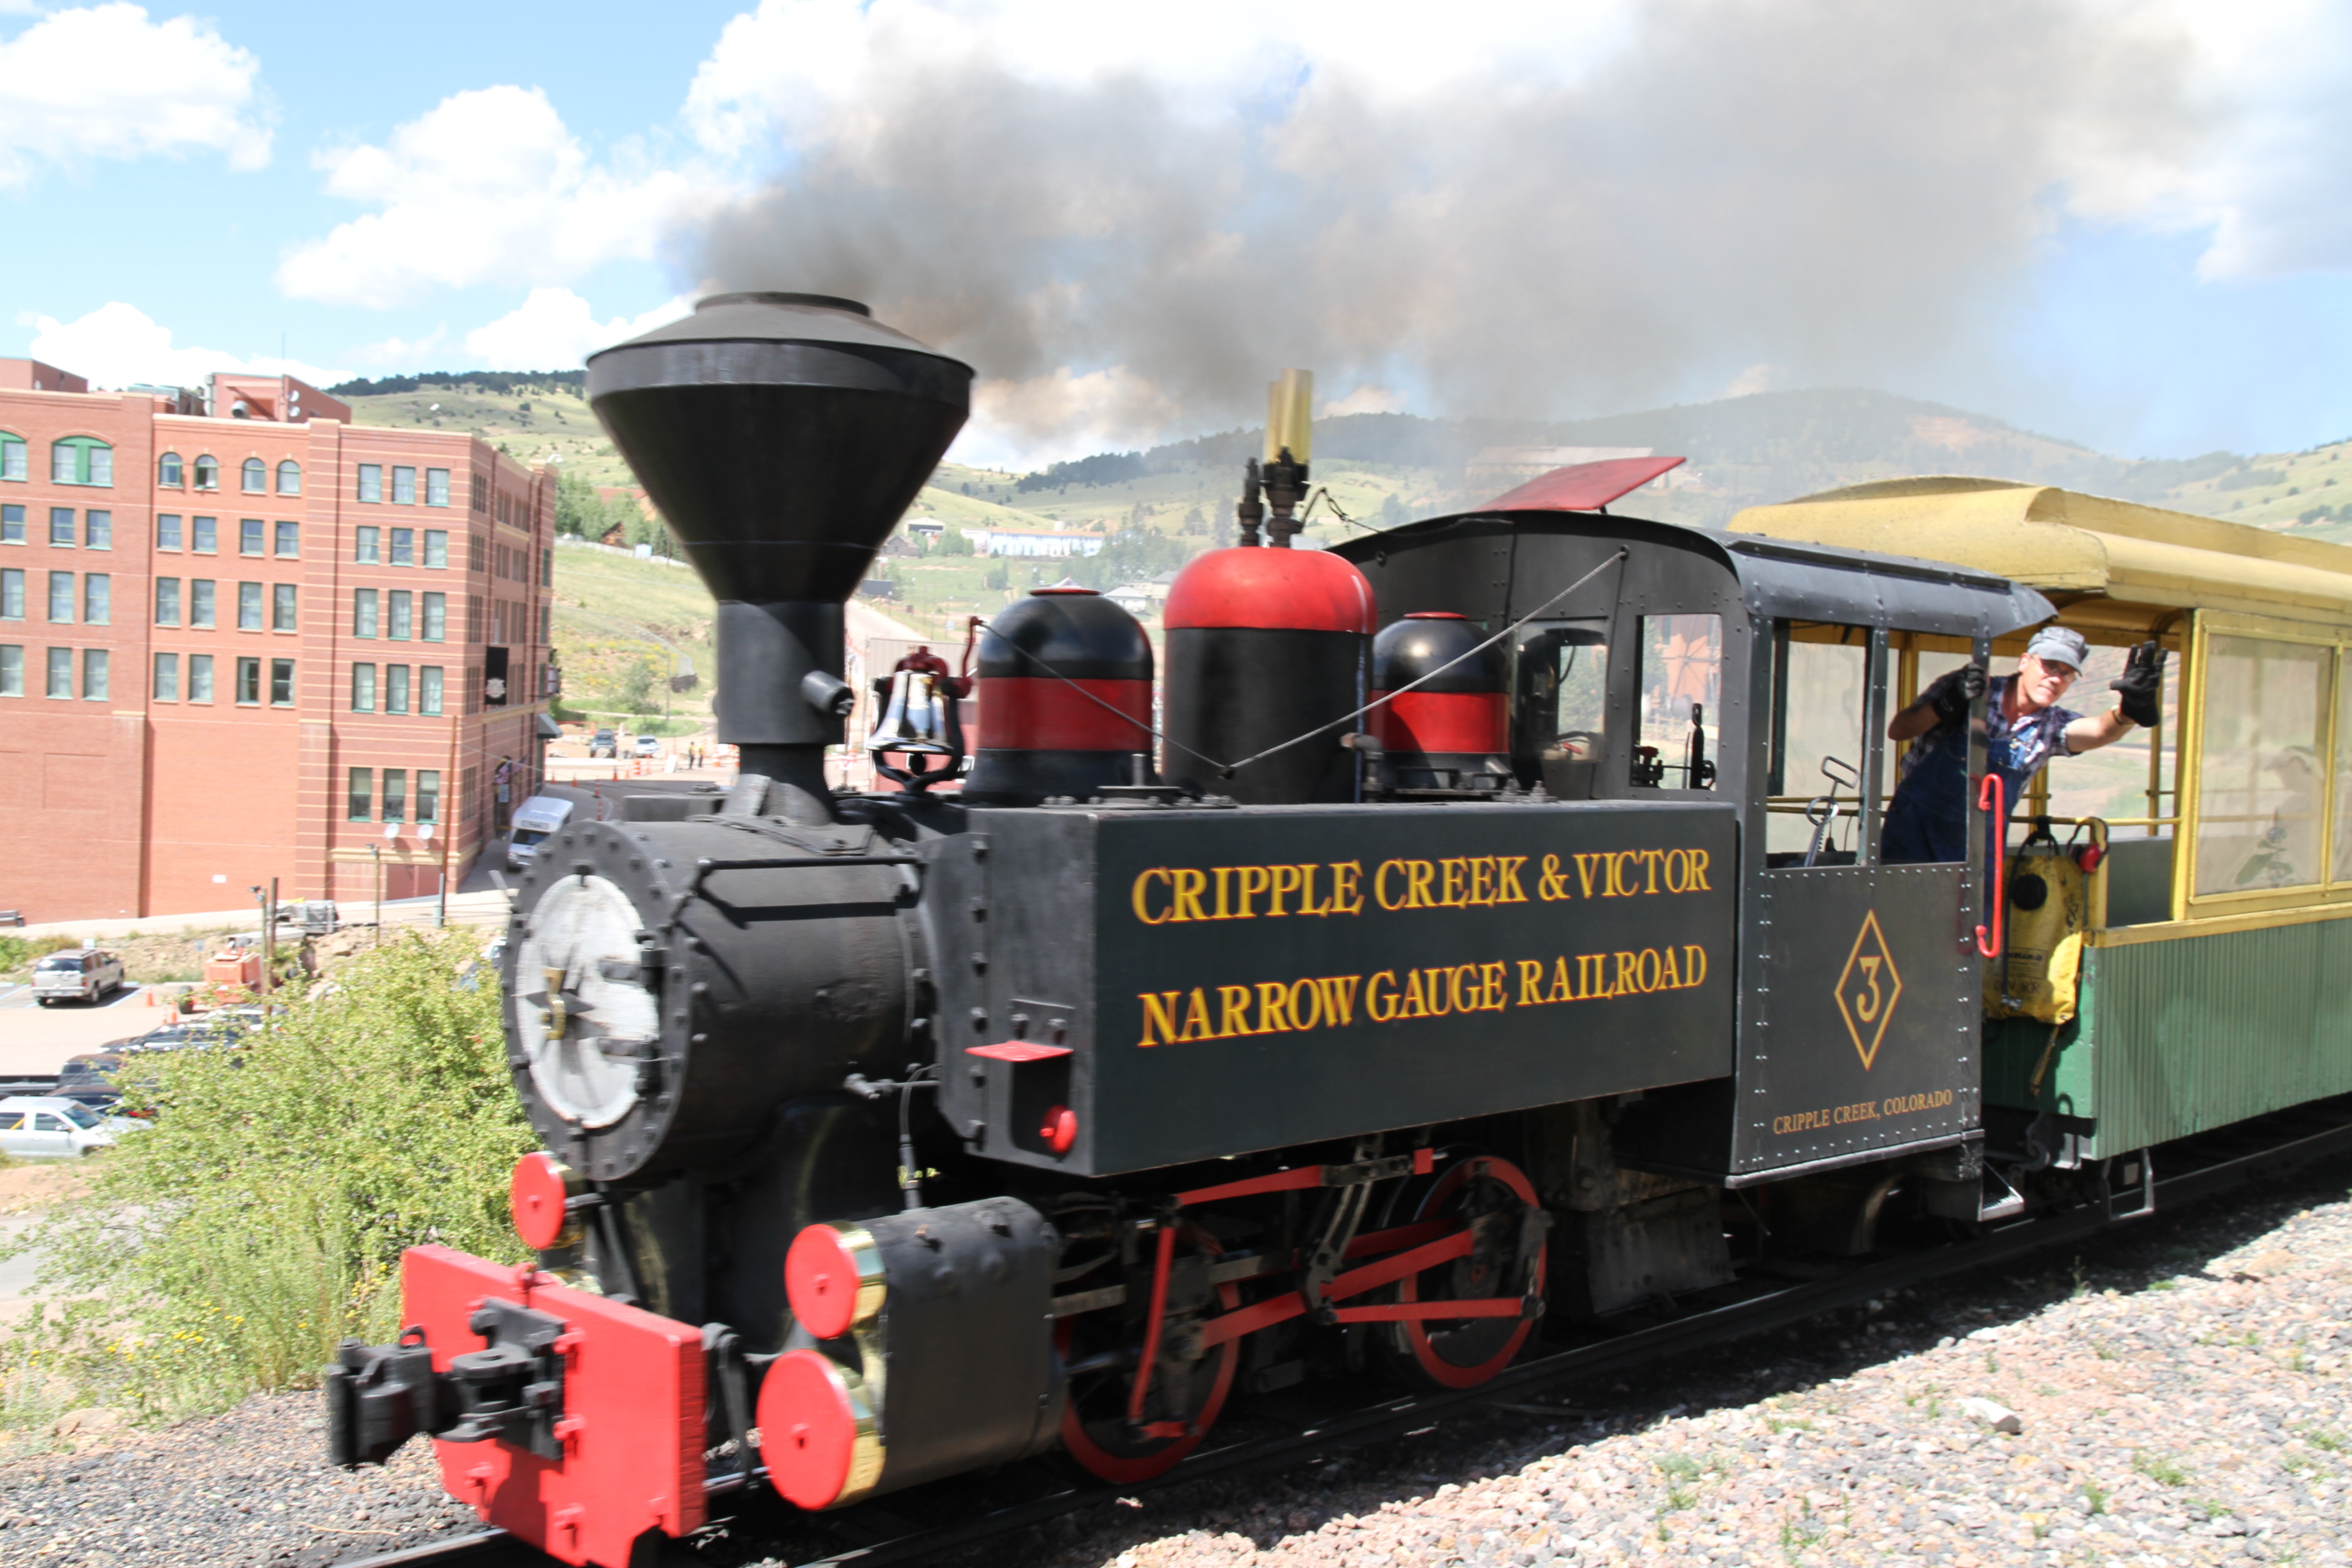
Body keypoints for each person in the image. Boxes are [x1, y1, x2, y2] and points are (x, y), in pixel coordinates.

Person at [1881, 627, 2165, 866]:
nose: (2056, 678)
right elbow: (1899, 730)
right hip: (1912, 835)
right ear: (2025, 662)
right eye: (2050, 666)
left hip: (1978, 851)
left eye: (2067, 674)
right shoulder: (1970, 689)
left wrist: (2128, 711)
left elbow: (2101, 731)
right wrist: (1947, 704)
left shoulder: (2051, 726)